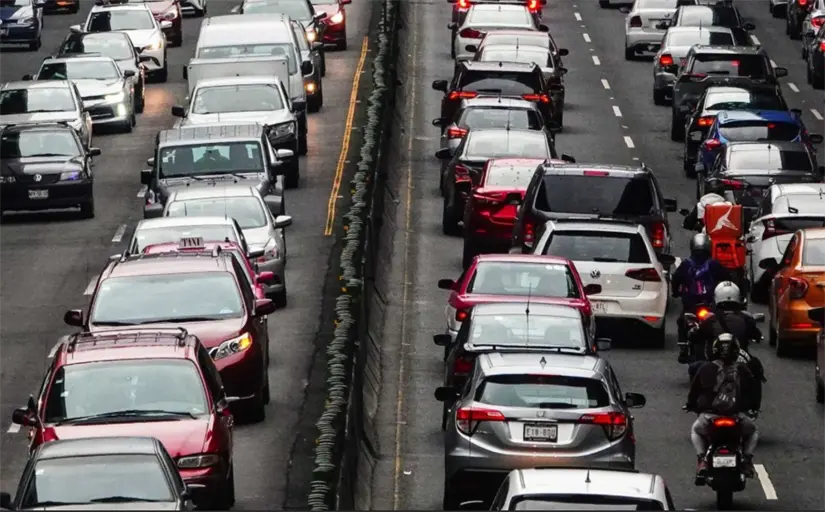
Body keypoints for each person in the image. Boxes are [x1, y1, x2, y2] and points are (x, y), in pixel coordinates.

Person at [686, 333, 760, 481]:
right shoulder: (743, 370)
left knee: (696, 430)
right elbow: (753, 391)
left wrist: (690, 405)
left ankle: (702, 460)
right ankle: (746, 460)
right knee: (753, 432)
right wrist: (753, 407)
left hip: (709, 417)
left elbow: (694, 391)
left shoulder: (705, 368)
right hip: (736, 417)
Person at [689, 282, 766, 389]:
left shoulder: (711, 320)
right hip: (740, 359)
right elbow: (756, 335)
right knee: (756, 368)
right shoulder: (746, 319)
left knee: (694, 369)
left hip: (716, 359)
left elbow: (694, 336)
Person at [672, 233, 731, 342]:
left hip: (690, 304)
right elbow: (727, 279)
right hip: (710, 303)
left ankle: (683, 345)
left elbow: (675, 280)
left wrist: (675, 292)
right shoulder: (714, 264)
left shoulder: (686, 264)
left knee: (682, 321)